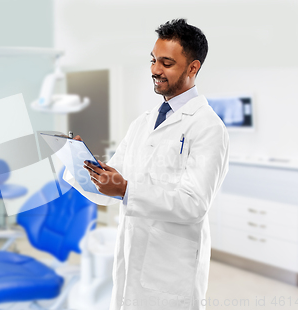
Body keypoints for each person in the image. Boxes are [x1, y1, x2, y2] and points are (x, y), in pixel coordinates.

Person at [63, 19, 229, 310]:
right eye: (153, 60)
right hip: (132, 261)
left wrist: (127, 189)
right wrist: (80, 165)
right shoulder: (143, 123)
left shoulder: (208, 127)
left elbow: (194, 203)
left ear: (193, 68)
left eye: (166, 63)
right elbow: (111, 189)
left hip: (170, 272)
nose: (154, 70)